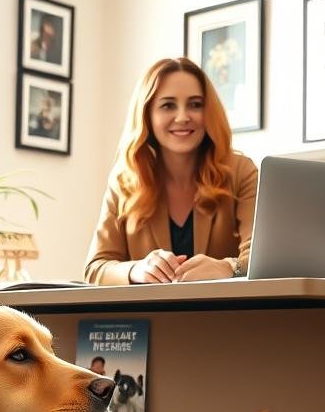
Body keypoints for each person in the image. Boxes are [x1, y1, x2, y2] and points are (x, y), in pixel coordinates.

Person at [84, 57, 257, 285]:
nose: (183, 117)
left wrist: (227, 267)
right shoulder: (124, 181)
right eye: (168, 105)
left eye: (195, 104)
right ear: (147, 114)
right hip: (150, 309)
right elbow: (95, 269)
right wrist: (135, 269)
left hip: (229, 307)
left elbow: (264, 259)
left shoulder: (241, 172)